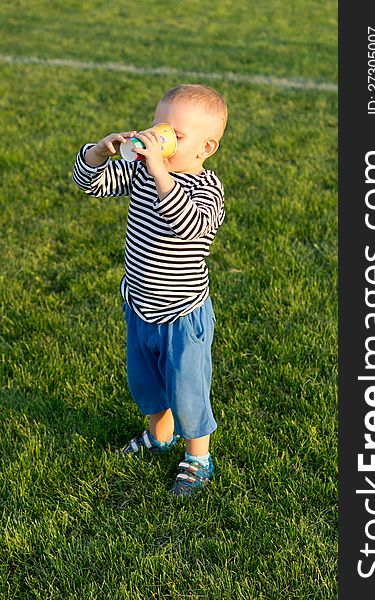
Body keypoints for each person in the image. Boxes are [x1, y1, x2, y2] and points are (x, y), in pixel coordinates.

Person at [72, 83, 228, 498]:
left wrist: (158, 168)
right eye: (159, 125)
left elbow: (187, 225)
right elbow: (90, 184)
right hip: (139, 306)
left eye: (174, 135)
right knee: (146, 384)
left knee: (188, 390)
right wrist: (99, 153)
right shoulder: (141, 172)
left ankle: (198, 458)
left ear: (206, 147)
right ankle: (160, 436)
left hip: (183, 316)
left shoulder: (207, 190)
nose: (159, 137)